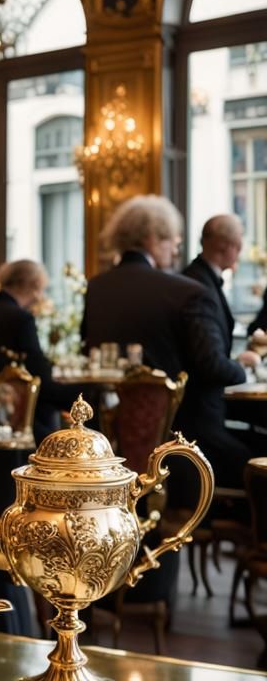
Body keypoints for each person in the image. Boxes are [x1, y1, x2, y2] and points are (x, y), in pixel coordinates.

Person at [81, 195, 251, 492]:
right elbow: (210, 365)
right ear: (151, 238)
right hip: (184, 444)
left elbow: (88, 352)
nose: (177, 248)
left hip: (109, 444)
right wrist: (243, 370)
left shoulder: (96, 288)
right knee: (256, 463)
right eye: (173, 240)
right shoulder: (185, 292)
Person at [0, 259, 76, 440]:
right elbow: (39, 375)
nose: (40, 297)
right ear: (34, 286)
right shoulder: (21, 318)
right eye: (41, 290)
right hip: (20, 416)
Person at [182, 214, 248, 356]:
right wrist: (239, 365)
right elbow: (210, 360)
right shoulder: (199, 287)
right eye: (238, 246)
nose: (239, 254)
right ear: (224, 246)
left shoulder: (199, 276)